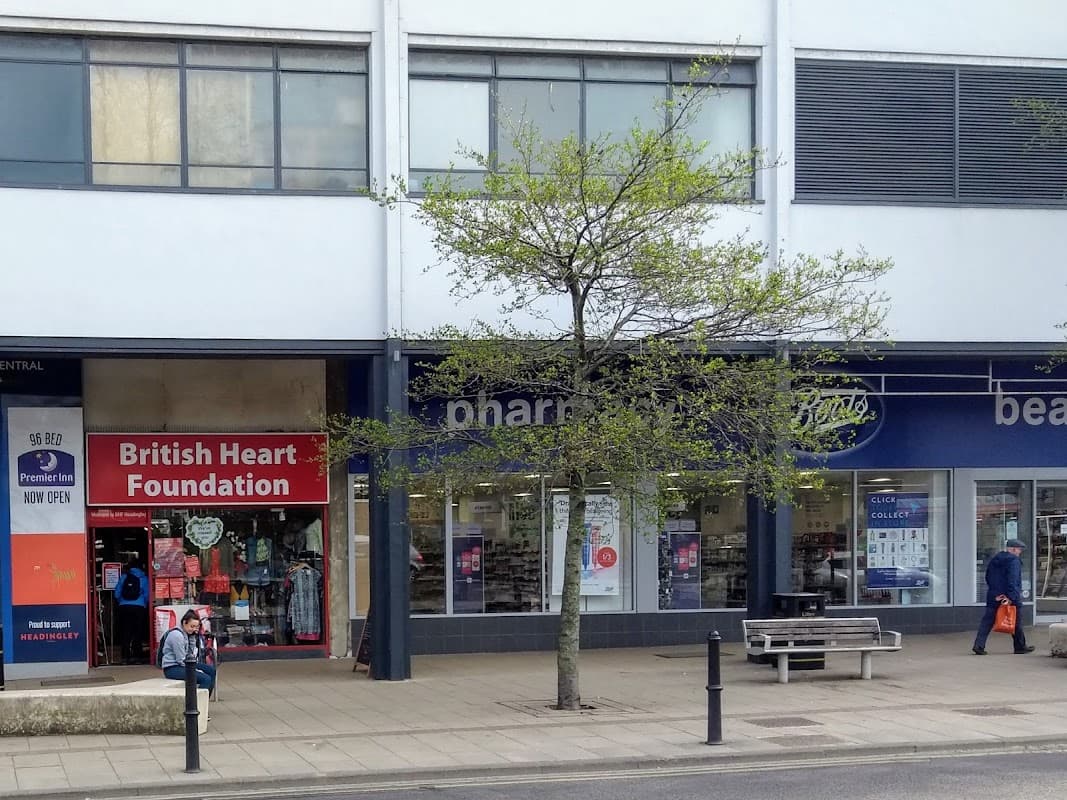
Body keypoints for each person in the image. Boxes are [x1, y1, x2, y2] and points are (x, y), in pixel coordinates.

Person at [973, 538, 1035, 655]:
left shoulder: (995, 559)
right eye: (1019, 550)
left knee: (987, 621)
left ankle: (978, 645)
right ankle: (1020, 646)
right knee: (1016, 620)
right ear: (1013, 549)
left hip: (994, 595)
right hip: (1008, 596)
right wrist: (1011, 597)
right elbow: (1013, 580)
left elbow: (988, 577)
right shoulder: (1013, 561)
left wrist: (995, 592)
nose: (1019, 552)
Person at [160, 610, 217, 694]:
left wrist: (193, 637)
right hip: (173, 667)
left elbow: (190, 654)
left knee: (211, 670)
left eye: (196, 627)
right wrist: (196, 669)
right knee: (206, 679)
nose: (194, 629)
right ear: (184, 623)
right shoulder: (176, 635)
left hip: (186, 663)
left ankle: (204, 701)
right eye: (192, 626)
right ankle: (196, 703)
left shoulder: (188, 634)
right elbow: (181, 660)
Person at [114, 557, 149, 665]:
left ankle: (125, 657)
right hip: (139, 608)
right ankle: (137, 657)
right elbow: (147, 595)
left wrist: (121, 601)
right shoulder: (144, 578)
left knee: (126, 632)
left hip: (124, 607)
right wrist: (144, 603)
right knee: (137, 632)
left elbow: (117, 593)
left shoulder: (124, 577)